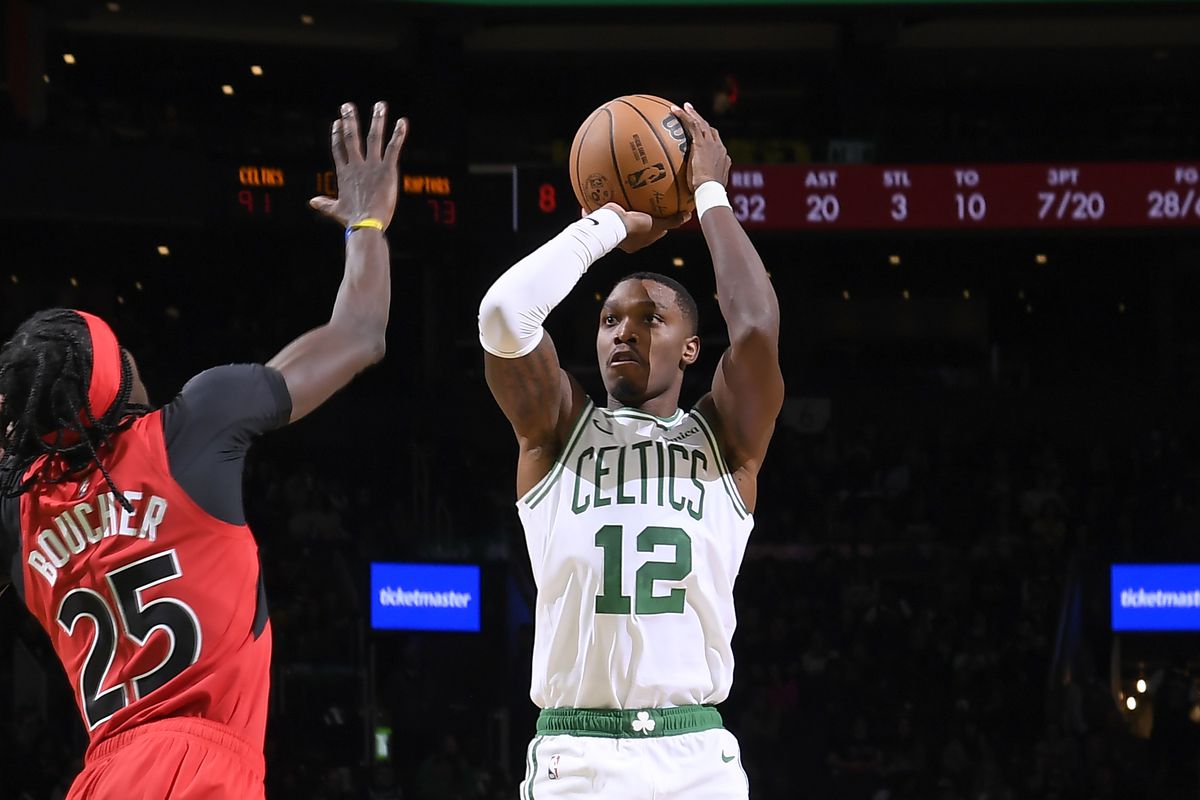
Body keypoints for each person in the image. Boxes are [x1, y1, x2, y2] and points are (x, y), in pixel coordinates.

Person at [0, 100, 406, 798]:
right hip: (199, 770)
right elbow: (360, 334)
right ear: (118, 382)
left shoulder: (19, 514)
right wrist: (367, 223)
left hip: (100, 778)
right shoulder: (191, 427)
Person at [479, 101, 783, 799]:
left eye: (651, 319)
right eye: (611, 318)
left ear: (691, 347)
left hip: (696, 755)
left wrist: (711, 194)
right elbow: (503, 314)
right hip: (579, 755)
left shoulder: (726, 442)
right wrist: (611, 224)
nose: (625, 331)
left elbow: (756, 329)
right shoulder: (556, 432)